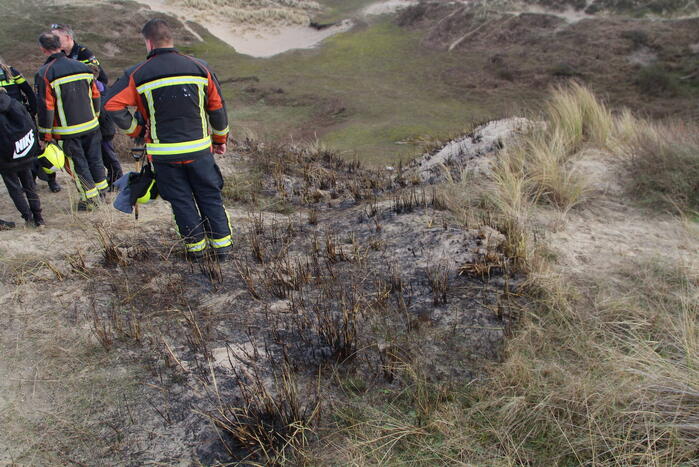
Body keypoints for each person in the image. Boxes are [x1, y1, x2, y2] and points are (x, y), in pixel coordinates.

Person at [105, 18, 232, 260]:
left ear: (148, 42)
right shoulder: (199, 67)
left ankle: (196, 251)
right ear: (170, 38)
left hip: (164, 154)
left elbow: (111, 105)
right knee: (209, 195)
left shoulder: (138, 74)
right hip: (199, 151)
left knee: (181, 200)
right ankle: (223, 249)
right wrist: (219, 139)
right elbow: (217, 107)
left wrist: (136, 131)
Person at [35, 33, 108, 210]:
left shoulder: (45, 73)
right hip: (91, 124)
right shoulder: (82, 67)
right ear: (60, 45)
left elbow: (46, 107)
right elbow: (96, 95)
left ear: (43, 49)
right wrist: (95, 115)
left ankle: (89, 201)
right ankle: (103, 194)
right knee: (95, 159)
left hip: (68, 131)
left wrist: (44, 134)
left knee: (78, 165)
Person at [1, 61, 62, 193]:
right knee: (19, 152)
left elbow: (29, 92)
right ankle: (30, 181)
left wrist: (34, 112)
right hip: (4, 124)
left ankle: (52, 180)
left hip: (23, 118)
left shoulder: (12, 72)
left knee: (40, 148)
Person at [0, 88, 44, 227]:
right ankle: (39, 217)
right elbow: (30, 124)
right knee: (29, 185)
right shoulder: (15, 104)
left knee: (15, 189)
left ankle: (28, 217)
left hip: (4, 159)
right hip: (23, 152)